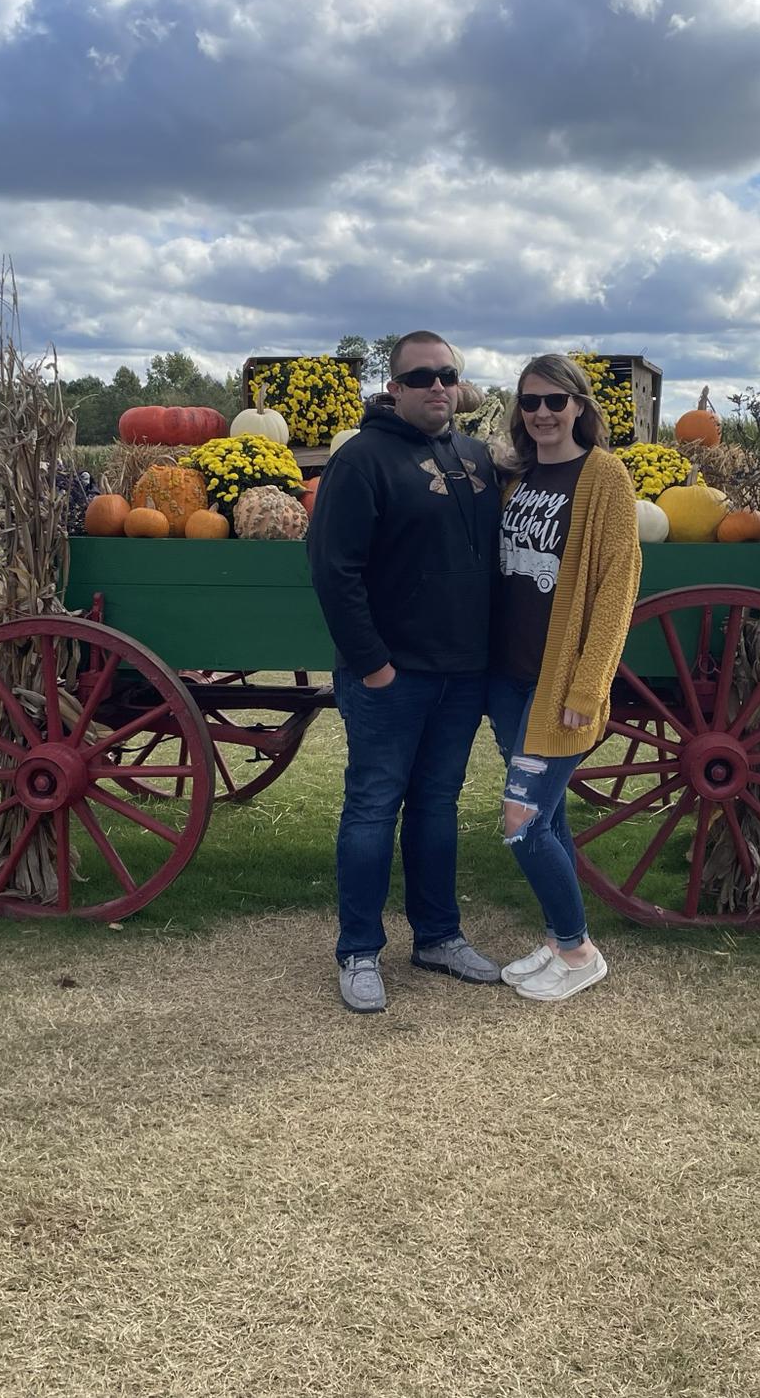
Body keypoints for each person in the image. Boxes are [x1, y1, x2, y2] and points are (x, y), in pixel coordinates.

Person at [307, 331, 506, 1013]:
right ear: (393, 386)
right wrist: (373, 666)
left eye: (447, 375)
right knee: (372, 807)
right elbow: (334, 572)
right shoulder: (361, 460)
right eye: (421, 377)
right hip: (391, 676)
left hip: (461, 674)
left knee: (436, 807)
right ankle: (359, 949)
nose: (436, 387)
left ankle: (437, 937)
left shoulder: (475, 456)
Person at [486, 354, 641, 1002]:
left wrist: (588, 687)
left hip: (559, 685)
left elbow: (615, 588)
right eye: (531, 402)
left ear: (580, 405)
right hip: (509, 680)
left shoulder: (604, 477)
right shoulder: (517, 478)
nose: (543, 413)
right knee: (547, 819)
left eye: (555, 400)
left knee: (520, 821)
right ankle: (556, 938)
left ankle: (579, 952)